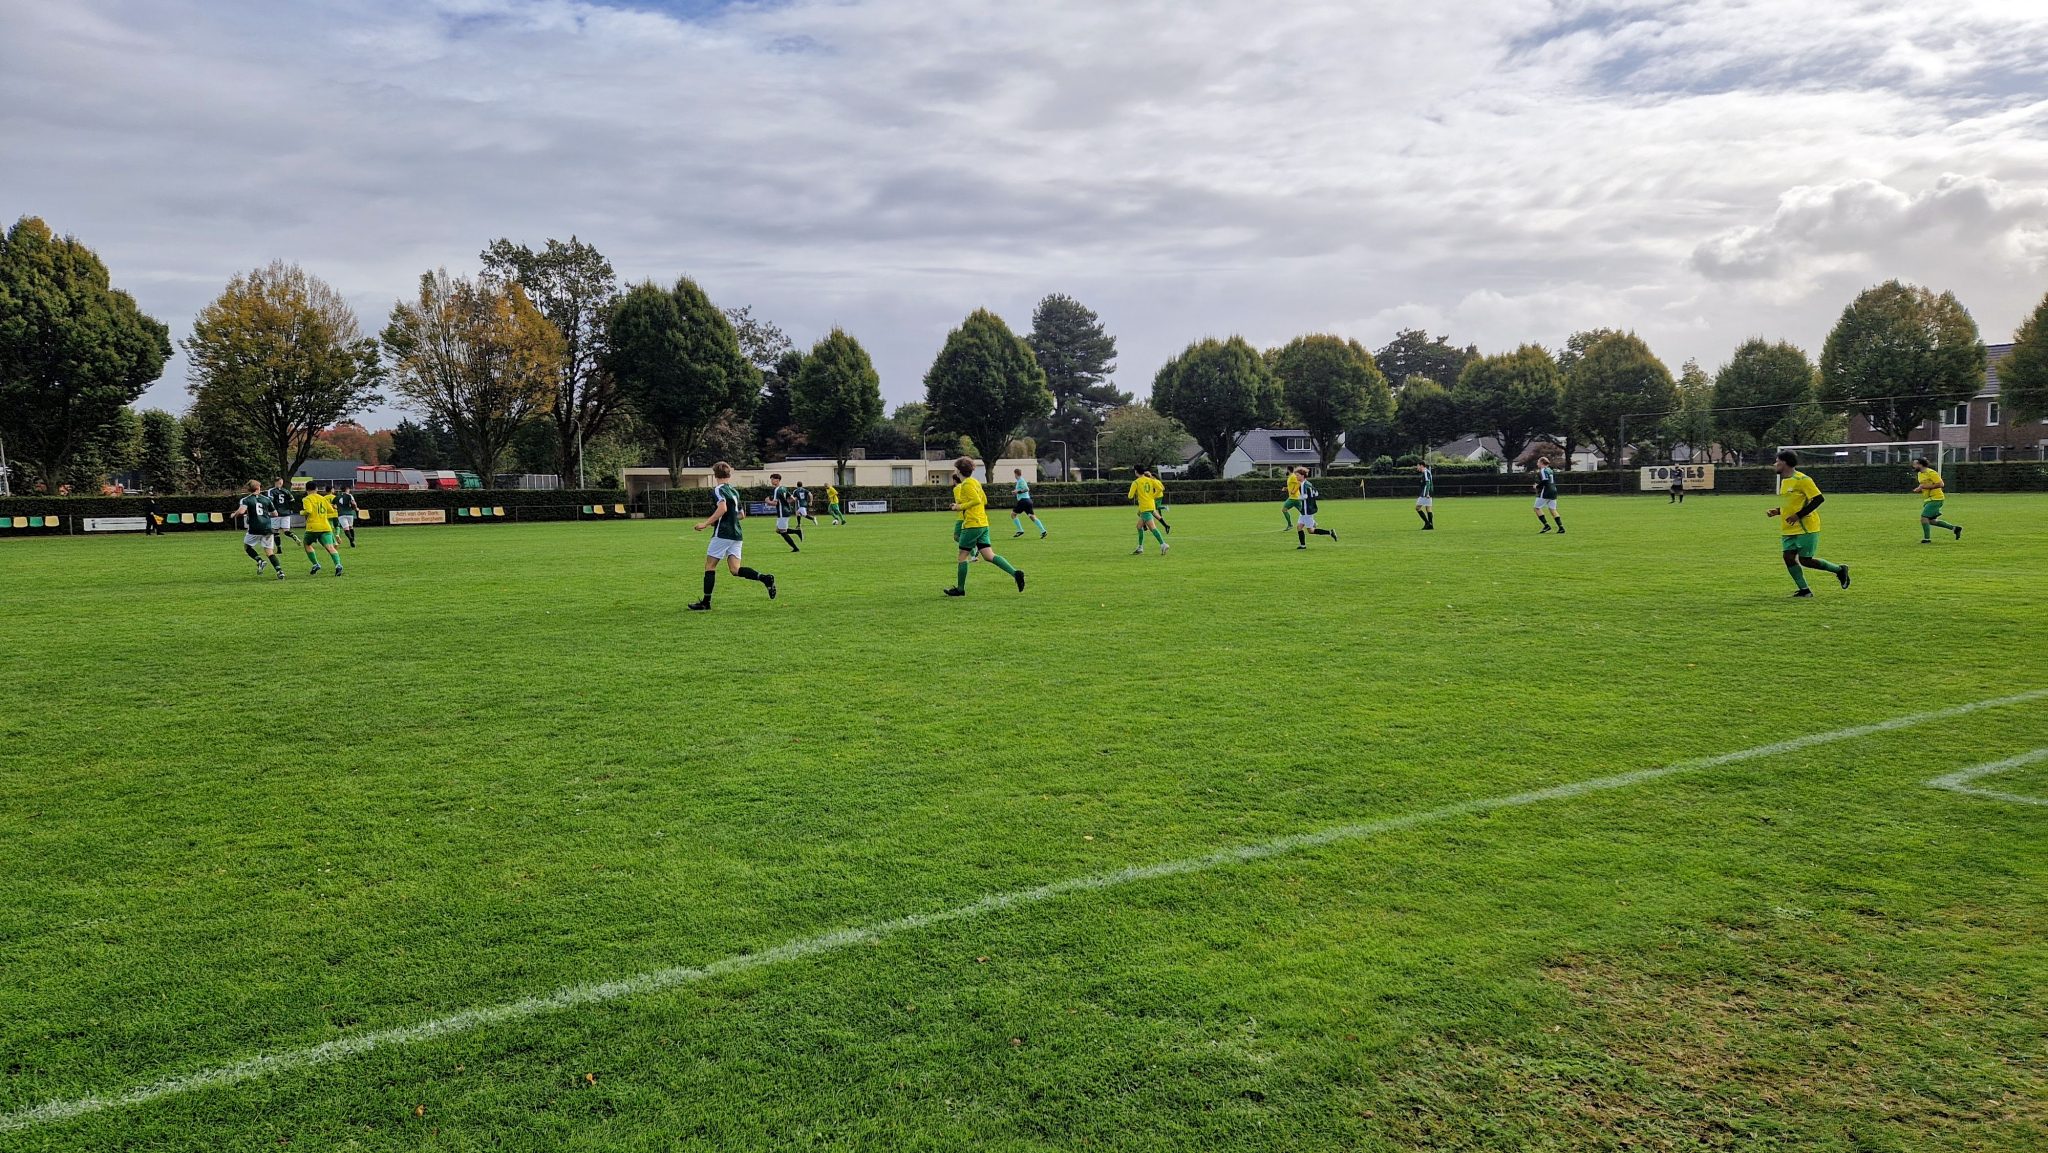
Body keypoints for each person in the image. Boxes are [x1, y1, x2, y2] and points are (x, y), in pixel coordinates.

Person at [688, 462, 776, 610]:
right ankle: (765, 578)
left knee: (710, 566)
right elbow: (742, 515)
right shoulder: (734, 491)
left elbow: (722, 508)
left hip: (723, 533)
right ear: (729, 474)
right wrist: (730, 518)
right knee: (735, 570)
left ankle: (706, 602)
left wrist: (706, 523)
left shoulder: (718, 490)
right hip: (737, 534)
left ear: (715, 475)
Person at [1769, 450, 1850, 598]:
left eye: (1777, 461)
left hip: (1806, 527)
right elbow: (1792, 504)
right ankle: (1804, 590)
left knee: (1806, 560)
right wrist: (1778, 511)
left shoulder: (1803, 479)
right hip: (1788, 528)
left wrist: (1798, 516)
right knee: (1788, 557)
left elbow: (1819, 499)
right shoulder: (1785, 481)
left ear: (1784, 463)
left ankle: (1839, 569)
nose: (1775, 464)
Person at [945, 457, 1025, 596]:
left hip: (972, 524)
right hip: (983, 523)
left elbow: (975, 500)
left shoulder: (966, 485)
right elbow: (984, 500)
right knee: (988, 555)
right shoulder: (975, 482)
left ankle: (960, 589)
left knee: (962, 557)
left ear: (959, 471)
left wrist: (959, 506)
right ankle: (1015, 573)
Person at [228, 480, 285, 579]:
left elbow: (241, 511)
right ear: (259, 488)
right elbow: (275, 514)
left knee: (247, 547)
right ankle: (279, 571)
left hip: (255, 528)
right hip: (267, 528)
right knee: (269, 552)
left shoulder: (246, 500)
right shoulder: (266, 499)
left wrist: (234, 514)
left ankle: (259, 560)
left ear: (248, 489)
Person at [1912, 456, 1962, 543]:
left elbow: (1941, 484)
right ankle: (1955, 528)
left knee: (1924, 518)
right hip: (1928, 500)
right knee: (1931, 521)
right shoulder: (1920, 474)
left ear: (1920, 464)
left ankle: (1927, 539)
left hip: (1936, 498)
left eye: (1915, 464)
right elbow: (1923, 484)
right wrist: (1919, 488)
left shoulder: (1931, 472)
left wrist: (1926, 487)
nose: (1913, 466)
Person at [301, 481, 343, 576]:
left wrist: (301, 512)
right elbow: (331, 509)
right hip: (325, 526)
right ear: (316, 489)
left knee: (307, 544)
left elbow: (308, 511)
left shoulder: (306, 499)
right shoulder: (322, 498)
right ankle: (338, 565)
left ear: (306, 489)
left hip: (313, 527)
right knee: (330, 547)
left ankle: (316, 564)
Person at [1128, 466, 1168, 555]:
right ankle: (1140, 547)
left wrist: (1137, 494)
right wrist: (1152, 496)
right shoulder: (1150, 480)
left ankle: (1163, 544)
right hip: (1151, 505)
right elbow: (1161, 488)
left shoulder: (1136, 482)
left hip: (1144, 507)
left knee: (1152, 528)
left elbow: (1130, 496)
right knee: (1139, 527)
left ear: (1136, 472)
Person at [1295, 468, 1338, 548]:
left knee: (1310, 531)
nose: (1296, 477)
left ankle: (1330, 532)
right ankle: (1303, 545)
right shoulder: (1309, 483)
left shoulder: (1303, 485)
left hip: (1306, 510)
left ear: (1302, 476)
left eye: (1297, 475)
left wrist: (1297, 497)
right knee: (1299, 527)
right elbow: (1316, 493)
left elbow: (1305, 496)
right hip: (1305, 510)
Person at [768, 473, 801, 552]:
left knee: (782, 532)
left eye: (772, 479)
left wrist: (768, 501)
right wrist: (785, 503)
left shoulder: (777, 490)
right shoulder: (784, 488)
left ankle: (795, 548)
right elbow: (792, 499)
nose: (771, 481)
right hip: (785, 511)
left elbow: (775, 503)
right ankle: (797, 531)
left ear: (777, 480)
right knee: (778, 530)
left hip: (782, 512)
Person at [1010, 468, 1047, 538]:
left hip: (1023, 501)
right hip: (1027, 501)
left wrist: (1017, 492)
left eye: (1014, 474)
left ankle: (1020, 530)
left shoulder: (1021, 480)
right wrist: (1016, 491)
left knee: (1013, 515)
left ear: (1015, 474)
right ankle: (1043, 531)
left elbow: (1027, 489)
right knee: (1032, 517)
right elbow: (1021, 489)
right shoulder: (1019, 481)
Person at [266, 477, 302, 544]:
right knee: (286, 531)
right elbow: (292, 500)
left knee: (275, 531)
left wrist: (270, 510)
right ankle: (293, 536)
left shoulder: (271, 491)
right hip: (286, 513)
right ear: (281, 483)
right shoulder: (286, 491)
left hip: (276, 513)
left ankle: (279, 549)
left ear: (275, 482)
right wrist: (289, 508)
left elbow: (270, 501)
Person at [1533, 457, 1563, 533]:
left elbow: (1545, 481)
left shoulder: (1543, 470)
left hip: (1546, 491)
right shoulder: (1550, 470)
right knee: (1552, 509)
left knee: (1536, 508)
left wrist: (1537, 486)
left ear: (1542, 463)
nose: (1537, 463)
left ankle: (1546, 526)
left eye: (1538, 462)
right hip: (1554, 490)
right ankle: (1561, 527)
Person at [1147, 467, 1172, 533]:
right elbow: (1163, 488)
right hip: (1160, 496)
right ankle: (1161, 518)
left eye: (1151, 476)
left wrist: (1153, 495)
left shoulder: (1154, 481)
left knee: (1154, 509)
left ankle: (1165, 508)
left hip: (1157, 497)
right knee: (1155, 509)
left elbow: (1160, 489)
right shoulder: (1158, 481)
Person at [1414, 463, 1435, 529]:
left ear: (1421, 466)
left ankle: (1427, 523)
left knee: (1417, 508)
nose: (1417, 467)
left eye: (1418, 466)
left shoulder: (1426, 472)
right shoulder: (1427, 472)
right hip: (1429, 493)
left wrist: (1427, 493)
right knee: (1428, 508)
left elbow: (1428, 482)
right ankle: (1430, 525)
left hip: (1425, 494)